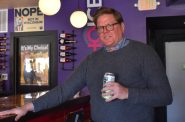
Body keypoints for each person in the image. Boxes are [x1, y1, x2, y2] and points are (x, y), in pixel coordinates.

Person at [0, 7, 172, 122]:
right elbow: (63, 91)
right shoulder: (92, 60)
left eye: (110, 26)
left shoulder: (144, 53)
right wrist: (26, 107)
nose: (105, 32)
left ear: (122, 26)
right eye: (100, 28)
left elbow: (165, 96)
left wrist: (126, 92)